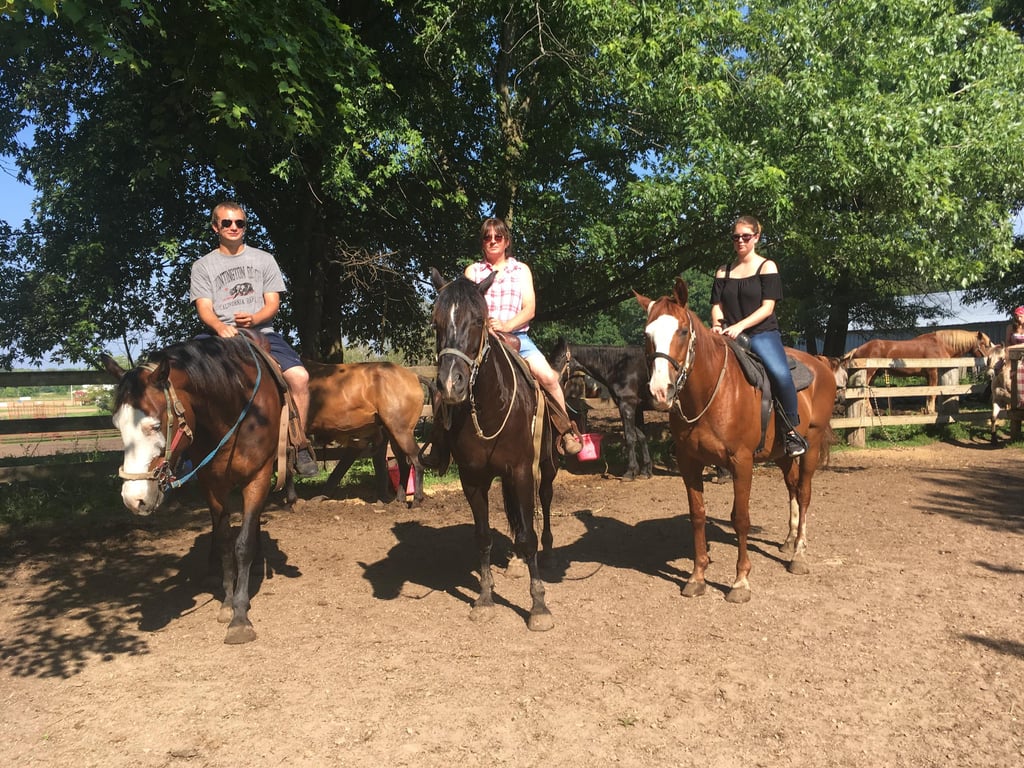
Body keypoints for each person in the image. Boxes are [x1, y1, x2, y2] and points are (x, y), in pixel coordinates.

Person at [421, 217, 583, 470]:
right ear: (483, 243)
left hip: (519, 338)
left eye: (498, 237)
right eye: (488, 238)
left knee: (549, 378)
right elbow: (463, 309)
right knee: (446, 382)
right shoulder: (472, 272)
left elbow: (530, 309)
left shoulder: (521, 271)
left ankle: (565, 431)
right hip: (480, 339)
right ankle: (439, 444)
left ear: (506, 241)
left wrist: (507, 326)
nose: (493, 241)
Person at [189, 200, 319, 477]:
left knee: (300, 378)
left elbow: (273, 303)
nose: (234, 227)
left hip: (261, 332)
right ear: (216, 227)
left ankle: (300, 444)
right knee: (185, 378)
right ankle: (190, 450)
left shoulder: (264, 260)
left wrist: (255, 318)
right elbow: (204, 308)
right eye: (227, 223)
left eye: (240, 223)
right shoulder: (203, 266)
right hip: (218, 333)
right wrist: (219, 326)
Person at [709, 215, 808, 457]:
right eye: (736, 237)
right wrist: (715, 324)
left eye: (745, 236)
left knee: (779, 373)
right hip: (728, 333)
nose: (740, 241)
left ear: (756, 237)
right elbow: (716, 305)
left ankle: (791, 431)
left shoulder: (767, 266)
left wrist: (740, 326)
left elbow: (767, 308)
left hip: (761, 333)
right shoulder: (724, 271)